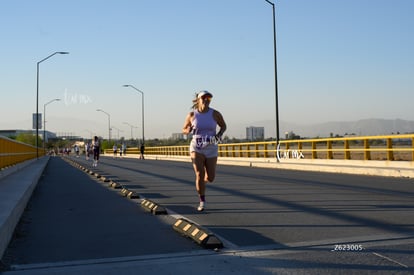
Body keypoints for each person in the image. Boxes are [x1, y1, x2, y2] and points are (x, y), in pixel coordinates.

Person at [182, 90, 227, 212]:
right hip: (196, 146)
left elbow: (223, 126)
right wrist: (188, 130)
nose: (206, 100)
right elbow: (184, 129)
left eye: (209, 98)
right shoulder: (192, 115)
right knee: (199, 174)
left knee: (210, 177)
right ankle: (202, 201)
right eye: (204, 98)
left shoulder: (215, 114)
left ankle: (203, 183)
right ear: (198, 100)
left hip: (211, 145)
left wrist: (219, 135)